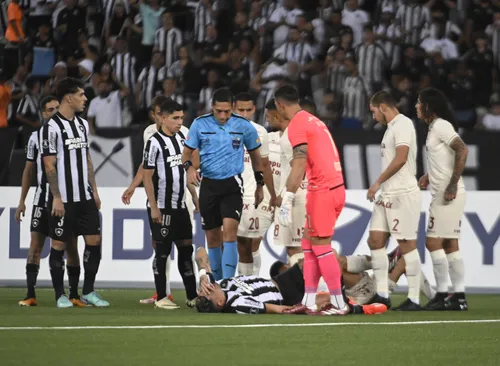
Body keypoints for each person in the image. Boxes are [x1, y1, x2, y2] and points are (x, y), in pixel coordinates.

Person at [274, 85, 347, 316]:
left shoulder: (297, 124)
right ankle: (308, 300)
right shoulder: (313, 120)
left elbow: (299, 162)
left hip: (323, 190)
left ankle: (339, 303)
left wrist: (288, 197)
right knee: (308, 245)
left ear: (280, 105)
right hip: (331, 187)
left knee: (321, 246)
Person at [182, 88, 265, 280]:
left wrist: (260, 184)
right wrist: (190, 168)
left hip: (232, 185)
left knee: (230, 233)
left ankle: (228, 283)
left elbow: (255, 155)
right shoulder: (199, 124)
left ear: (232, 108)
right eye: (219, 111)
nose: (223, 115)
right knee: (212, 238)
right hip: (208, 185)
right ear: (212, 107)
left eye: (227, 111)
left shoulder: (243, 126)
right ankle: (217, 281)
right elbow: (186, 153)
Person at [41, 78, 109, 308]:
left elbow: (87, 159)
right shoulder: (51, 128)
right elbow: (49, 164)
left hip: (85, 196)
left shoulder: (82, 125)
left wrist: (95, 190)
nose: (85, 98)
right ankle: (60, 295)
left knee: (94, 241)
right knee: (59, 245)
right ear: (68, 97)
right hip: (64, 199)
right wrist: (57, 197)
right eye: (81, 94)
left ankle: (88, 291)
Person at [15, 96, 84, 307]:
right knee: (36, 246)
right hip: (41, 200)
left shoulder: (71, 133)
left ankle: (73, 294)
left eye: (57, 108)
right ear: (43, 114)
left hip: (66, 200)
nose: (54, 111)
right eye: (50, 109)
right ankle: (30, 293)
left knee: (71, 246)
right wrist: (22, 201)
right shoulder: (36, 138)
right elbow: (28, 170)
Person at [194, 247, 386, 315]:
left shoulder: (214, 286)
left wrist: (203, 273)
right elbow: (276, 309)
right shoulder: (238, 303)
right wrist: (304, 306)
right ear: (219, 302)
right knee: (324, 259)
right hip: (286, 295)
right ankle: (365, 300)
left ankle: (375, 271)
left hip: (279, 280)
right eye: (208, 292)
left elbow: (200, 251)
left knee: (324, 256)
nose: (207, 288)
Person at [367, 90, 422, 311]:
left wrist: (377, 182)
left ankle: (415, 298)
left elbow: (400, 159)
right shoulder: (391, 129)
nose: (373, 117)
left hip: (402, 193)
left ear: (382, 107)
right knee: (375, 240)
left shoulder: (403, 124)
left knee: (407, 245)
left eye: (373, 112)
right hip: (387, 195)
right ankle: (382, 294)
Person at [142, 99, 198, 309]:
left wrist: (194, 195)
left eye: (181, 118)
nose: (179, 122)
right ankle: (162, 297)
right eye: (175, 118)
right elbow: (147, 177)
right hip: (162, 207)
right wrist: (154, 206)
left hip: (180, 206)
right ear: (163, 118)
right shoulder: (154, 142)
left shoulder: (183, 137)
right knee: (162, 252)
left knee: (186, 250)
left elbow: (184, 171)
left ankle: (192, 295)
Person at [416, 87, 468, 311]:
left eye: (419, 103)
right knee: (450, 244)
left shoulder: (441, 126)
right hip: (446, 192)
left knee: (432, 241)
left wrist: (452, 183)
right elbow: (446, 156)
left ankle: (441, 293)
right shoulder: (434, 128)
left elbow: (462, 149)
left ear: (428, 106)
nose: (417, 106)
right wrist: (430, 174)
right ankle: (459, 296)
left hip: (448, 194)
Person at [122, 96, 177, 305]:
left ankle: (197, 291)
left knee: (183, 243)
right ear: (154, 114)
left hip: (179, 198)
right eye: (156, 113)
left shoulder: (182, 132)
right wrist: (133, 186)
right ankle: (163, 292)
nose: (160, 118)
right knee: (159, 243)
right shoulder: (149, 133)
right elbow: (147, 165)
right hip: (158, 198)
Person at [233, 92, 277, 276]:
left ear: (253, 110)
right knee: (223, 241)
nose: (244, 114)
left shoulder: (260, 132)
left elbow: (265, 165)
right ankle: (226, 284)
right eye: (240, 109)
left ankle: (250, 282)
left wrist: (272, 194)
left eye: (247, 110)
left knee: (248, 242)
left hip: (251, 196)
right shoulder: (223, 129)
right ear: (233, 108)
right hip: (227, 193)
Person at [266, 98, 305, 266]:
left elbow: (298, 169)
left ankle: (309, 288)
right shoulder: (287, 136)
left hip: (295, 197)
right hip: (293, 196)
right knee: (293, 248)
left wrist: (284, 196)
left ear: (277, 115)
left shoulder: (290, 137)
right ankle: (305, 288)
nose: (267, 119)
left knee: (296, 248)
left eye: (268, 116)